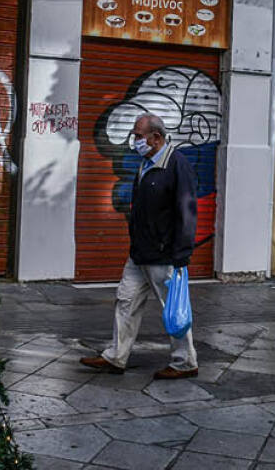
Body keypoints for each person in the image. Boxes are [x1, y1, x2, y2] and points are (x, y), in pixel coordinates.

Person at [79, 113, 199, 380]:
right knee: (126, 301)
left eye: (138, 135)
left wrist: (182, 253)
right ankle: (116, 357)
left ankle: (185, 362)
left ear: (155, 138)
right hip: (139, 253)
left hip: (164, 254)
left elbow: (187, 211)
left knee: (174, 310)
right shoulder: (146, 163)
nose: (134, 140)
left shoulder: (177, 165)